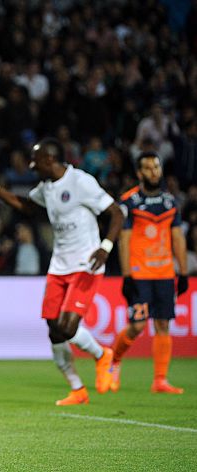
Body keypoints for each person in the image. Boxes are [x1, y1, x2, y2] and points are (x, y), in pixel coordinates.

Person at [0, 137, 124, 405]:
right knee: (53, 330)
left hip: (86, 264)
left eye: (35, 160)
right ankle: (77, 389)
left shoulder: (81, 182)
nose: (31, 165)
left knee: (67, 328)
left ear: (49, 159)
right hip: (59, 266)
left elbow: (117, 213)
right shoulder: (47, 187)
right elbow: (25, 205)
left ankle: (102, 354)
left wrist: (105, 247)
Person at [111, 152, 189, 394]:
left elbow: (177, 238)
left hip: (164, 273)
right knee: (137, 325)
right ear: (139, 173)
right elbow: (124, 240)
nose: (153, 172)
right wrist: (126, 276)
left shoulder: (170, 202)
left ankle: (160, 380)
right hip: (139, 274)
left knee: (163, 324)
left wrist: (183, 272)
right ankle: (113, 361)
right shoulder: (129, 202)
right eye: (148, 168)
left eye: (156, 167)